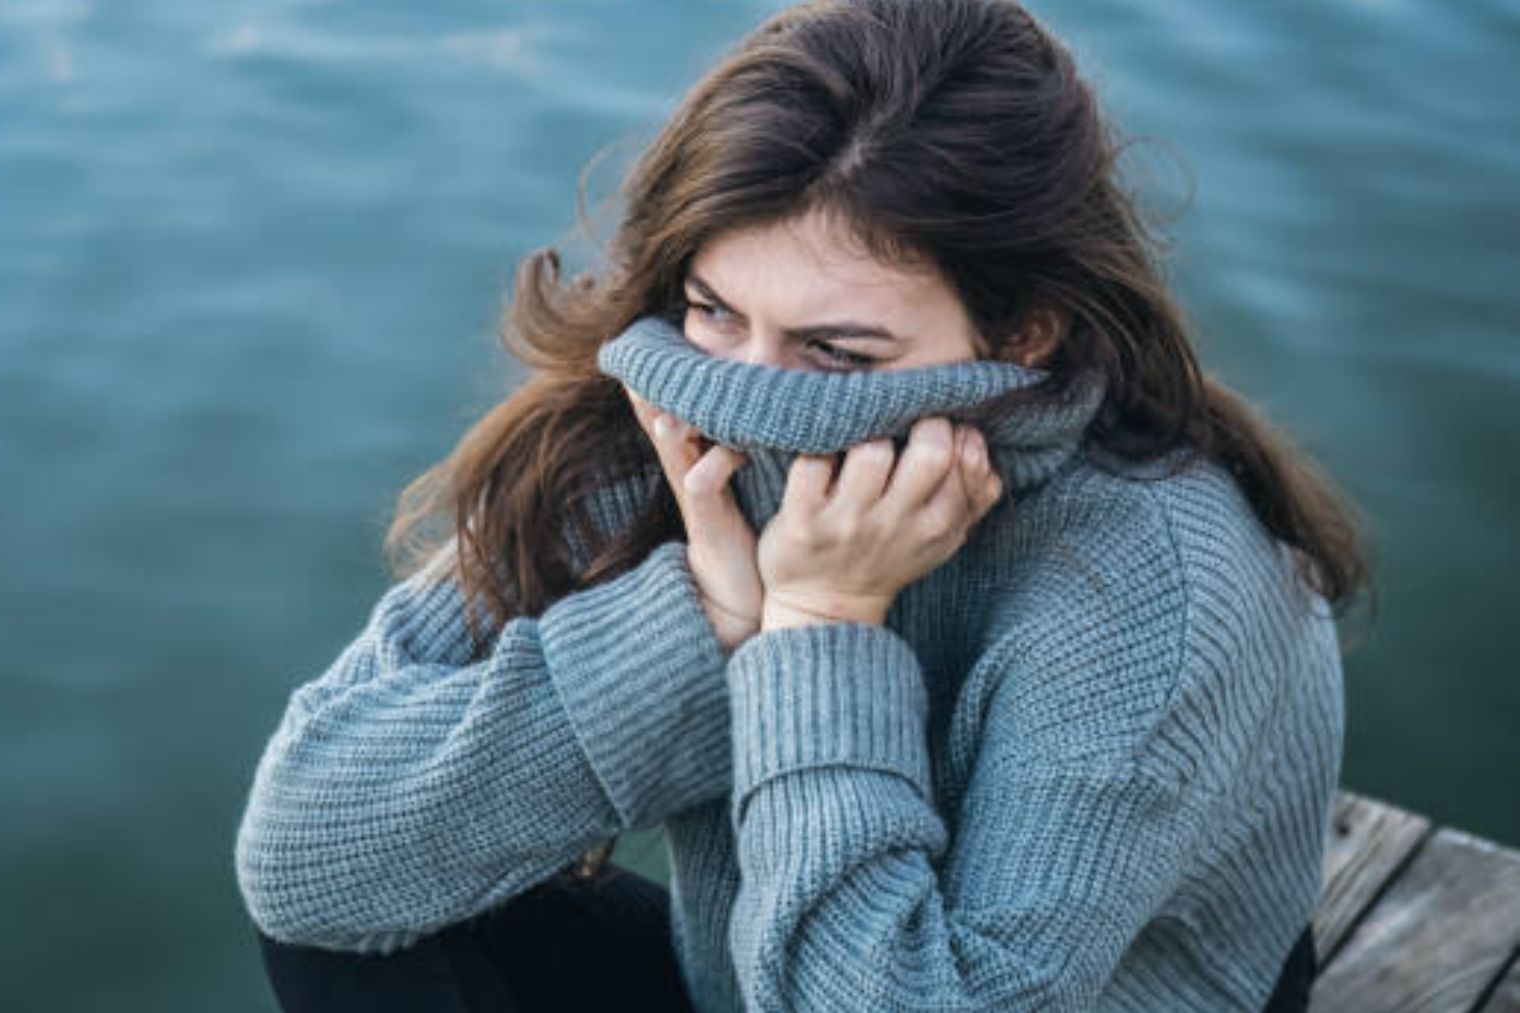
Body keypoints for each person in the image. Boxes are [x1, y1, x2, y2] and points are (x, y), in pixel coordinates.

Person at [233, 0, 1371, 1009]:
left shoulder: (1153, 583)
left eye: (835, 348)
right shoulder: (669, 418)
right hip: (751, 968)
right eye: (714, 309)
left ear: (1024, 332)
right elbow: (302, 851)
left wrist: (821, 629)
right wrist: (703, 628)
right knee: (352, 923)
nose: (749, 399)